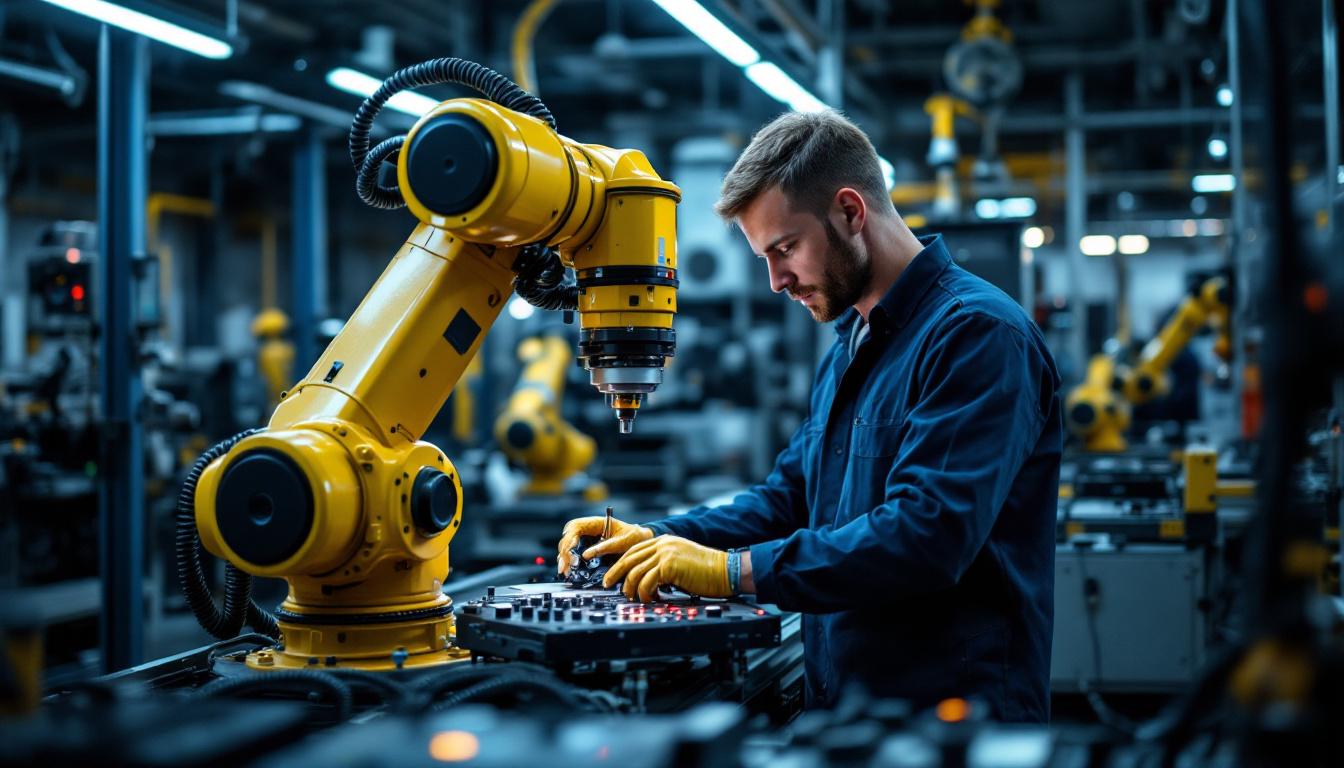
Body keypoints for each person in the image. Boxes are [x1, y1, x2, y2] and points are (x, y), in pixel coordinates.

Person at [557, 110, 1062, 721]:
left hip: (952, 718)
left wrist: (732, 572)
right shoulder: (852, 341)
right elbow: (790, 498)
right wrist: (660, 539)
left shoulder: (977, 335)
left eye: (786, 248)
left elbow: (929, 535)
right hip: (845, 707)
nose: (775, 281)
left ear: (851, 212)